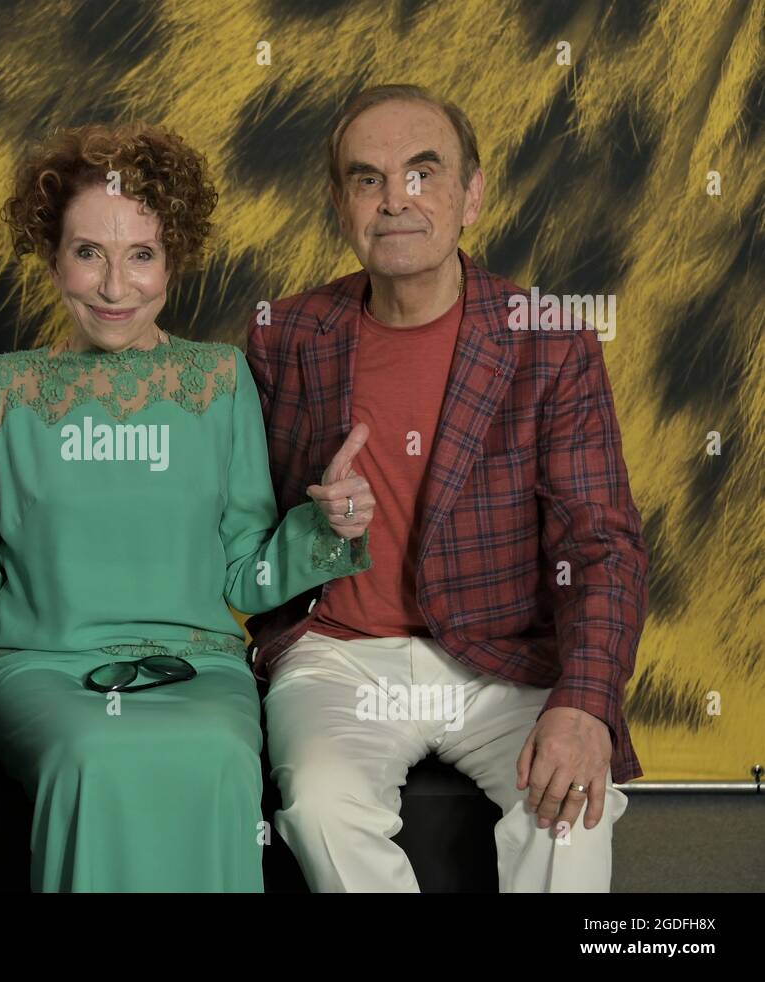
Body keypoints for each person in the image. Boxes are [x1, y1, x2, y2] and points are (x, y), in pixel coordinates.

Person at [0, 122, 372, 892]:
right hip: (41, 670)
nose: (114, 286)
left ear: (173, 260)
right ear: (53, 256)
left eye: (141, 255)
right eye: (88, 253)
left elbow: (244, 576)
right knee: (95, 755)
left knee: (223, 756)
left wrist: (325, 528)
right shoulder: (7, 387)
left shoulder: (221, 381)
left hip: (198, 669)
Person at [247, 84, 648, 892]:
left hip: (503, 660)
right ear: (340, 205)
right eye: (367, 179)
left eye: (423, 174)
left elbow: (600, 543)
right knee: (323, 807)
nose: (396, 199)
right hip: (339, 656)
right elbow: (239, 534)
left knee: (571, 814)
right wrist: (313, 524)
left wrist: (585, 702)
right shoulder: (282, 334)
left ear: (472, 196)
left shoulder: (551, 341)